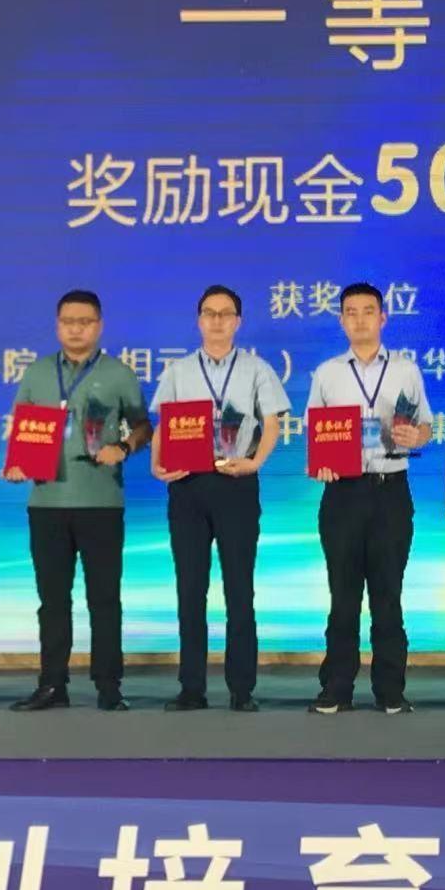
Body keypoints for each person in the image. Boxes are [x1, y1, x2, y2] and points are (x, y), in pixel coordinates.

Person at [3, 290, 151, 712]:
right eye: (68, 321)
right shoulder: (37, 373)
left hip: (101, 502)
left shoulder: (119, 373)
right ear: (57, 326)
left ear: (99, 326)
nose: (75, 329)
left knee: (104, 599)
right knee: (52, 601)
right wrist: (17, 464)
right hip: (46, 502)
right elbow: (22, 431)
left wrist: (123, 447)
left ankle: (109, 686)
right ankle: (52, 684)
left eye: (84, 322)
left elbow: (143, 426)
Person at [150, 284, 290, 712]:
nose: (217, 321)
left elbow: (271, 423)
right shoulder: (178, 370)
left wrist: (256, 463)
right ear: (199, 321)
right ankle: (191, 688)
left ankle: (241, 689)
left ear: (237, 322)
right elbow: (163, 425)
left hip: (236, 483)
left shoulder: (256, 369)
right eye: (209, 313)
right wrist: (157, 464)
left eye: (225, 313)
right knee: (190, 589)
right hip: (188, 486)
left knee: (239, 590)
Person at [303, 283, 433, 715]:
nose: (360, 319)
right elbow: (315, 431)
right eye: (351, 312)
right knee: (342, 596)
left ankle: (391, 690)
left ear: (383, 318)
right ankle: (336, 688)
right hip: (342, 493)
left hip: (390, 491)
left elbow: (427, 426)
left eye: (368, 311)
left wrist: (417, 436)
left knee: (388, 595)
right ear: (342, 320)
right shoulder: (327, 373)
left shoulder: (406, 370)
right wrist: (321, 462)